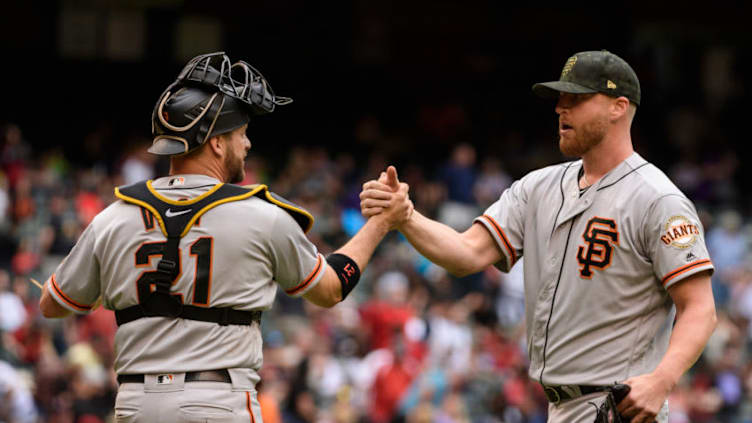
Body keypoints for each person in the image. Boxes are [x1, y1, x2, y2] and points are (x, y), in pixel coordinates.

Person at [38, 52, 411, 423]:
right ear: (216, 142)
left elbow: (53, 304)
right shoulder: (262, 215)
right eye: (241, 134)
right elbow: (329, 290)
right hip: (217, 403)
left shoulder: (111, 218)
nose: (246, 145)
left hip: (135, 404)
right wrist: (381, 223)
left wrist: (125, 282)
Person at [360, 50, 717, 423]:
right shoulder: (538, 187)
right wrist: (407, 217)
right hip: (559, 407)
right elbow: (466, 253)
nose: (561, 108)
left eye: (576, 98)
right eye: (559, 99)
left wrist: (662, 380)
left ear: (618, 107)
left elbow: (700, 309)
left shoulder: (657, 199)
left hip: (618, 407)